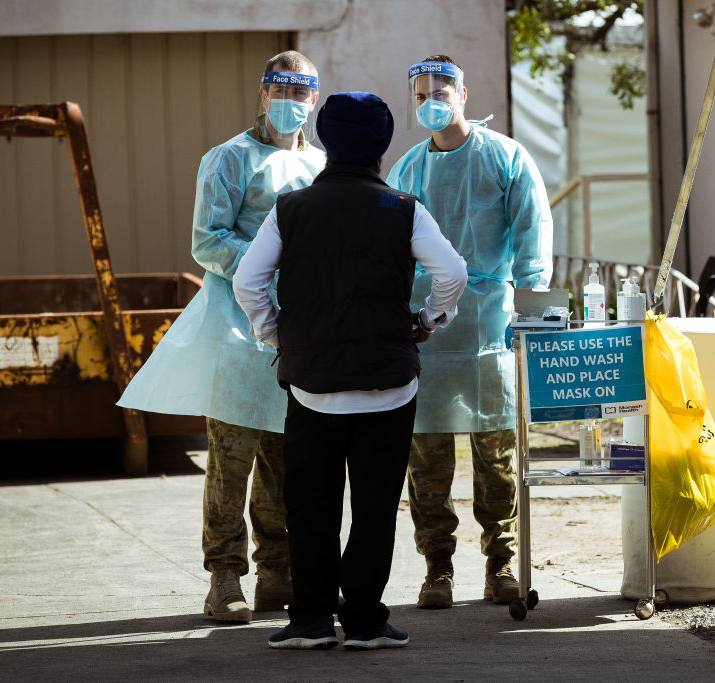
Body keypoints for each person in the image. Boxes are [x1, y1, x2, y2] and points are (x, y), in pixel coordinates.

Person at [233, 91, 467, 650]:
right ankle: (364, 620)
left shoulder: (290, 210)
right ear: (383, 147)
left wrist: (276, 332)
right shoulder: (403, 208)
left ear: (327, 142)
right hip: (389, 383)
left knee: (310, 505)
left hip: (312, 384)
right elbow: (452, 271)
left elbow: (247, 282)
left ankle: (311, 620)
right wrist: (428, 320)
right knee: (376, 505)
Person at [117, 50, 325, 623]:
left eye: (301, 93)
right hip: (235, 330)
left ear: (314, 99)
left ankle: (277, 573)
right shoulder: (230, 159)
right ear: (262, 94)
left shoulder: (320, 166)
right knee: (232, 460)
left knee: (286, 460)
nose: (290, 103)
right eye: (280, 91)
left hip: (294, 333)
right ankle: (225, 576)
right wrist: (269, 267)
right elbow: (207, 240)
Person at [386, 55, 553, 608]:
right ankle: (437, 569)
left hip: (486, 325)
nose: (431, 99)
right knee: (426, 459)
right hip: (426, 326)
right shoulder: (407, 169)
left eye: (442, 88)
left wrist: (533, 290)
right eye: (421, 93)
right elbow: (386, 245)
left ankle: (500, 563)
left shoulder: (504, 157)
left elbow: (532, 226)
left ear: (464, 92)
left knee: (496, 456)